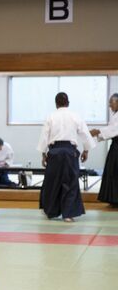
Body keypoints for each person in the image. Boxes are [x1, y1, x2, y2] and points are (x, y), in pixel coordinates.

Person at [37, 92, 96, 222]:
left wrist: (43, 154)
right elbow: (85, 135)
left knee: (52, 182)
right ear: (68, 103)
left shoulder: (50, 117)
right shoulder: (75, 116)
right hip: (70, 152)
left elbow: (44, 137)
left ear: (56, 104)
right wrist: (86, 151)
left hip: (54, 152)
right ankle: (68, 215)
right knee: (70, 181)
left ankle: (50, 212)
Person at [90, 93, 118, 207]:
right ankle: (112, 198)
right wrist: (98, 134)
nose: (110, 105)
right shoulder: (115, 115)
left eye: (111, 102)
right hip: (115, 146)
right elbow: (111, 131)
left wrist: (98, 131)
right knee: (112, 171)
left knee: (115, 172)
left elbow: (114, 129)